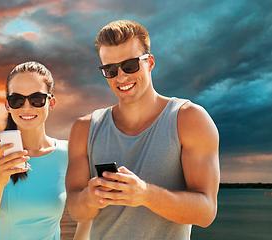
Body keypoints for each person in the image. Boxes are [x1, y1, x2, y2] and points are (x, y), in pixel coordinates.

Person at [66, 20, 220, 239]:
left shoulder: (190, 119)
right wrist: (90, 198)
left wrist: (146, 195)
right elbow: (75, 209)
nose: (121, 77)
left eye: (130, 65)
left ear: (150, 62)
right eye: (110, 70)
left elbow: (206, 212)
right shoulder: (84, 128)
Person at [0, 61, 89, 240]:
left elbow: (88, 210)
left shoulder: (68, 154)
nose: (26, 107)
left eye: (36, 99)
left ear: (51, 102)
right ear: (7, 105)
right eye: (17, 100)